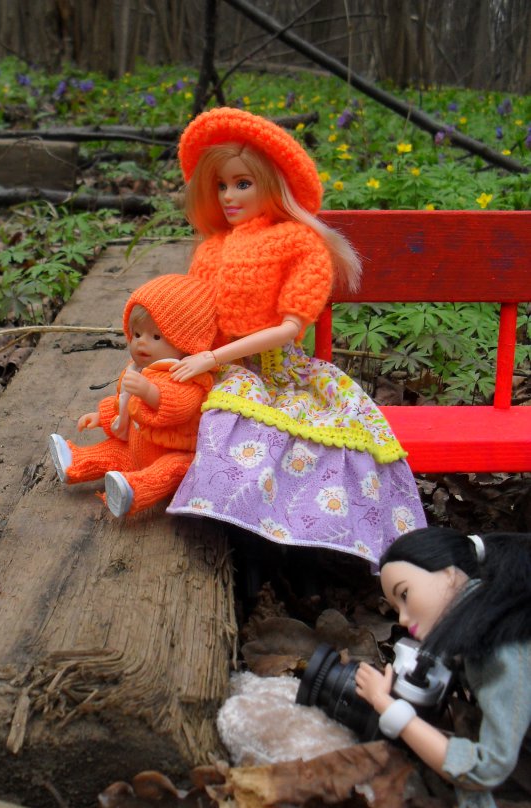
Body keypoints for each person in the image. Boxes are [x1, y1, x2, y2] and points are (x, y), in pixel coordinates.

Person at [166, 107, 426, 563]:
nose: (228, 196)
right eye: (222, 185)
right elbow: (195, 318)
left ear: (274, 185)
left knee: (307, 435)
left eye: (242, 183)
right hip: (217, 369)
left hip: (278, 374)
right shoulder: (210, 249)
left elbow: (288, 327)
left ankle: (288, 543)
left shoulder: (299, 242)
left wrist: (214, 358)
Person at [355, 527, 531, 808]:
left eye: (405, 594)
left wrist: (389, 708)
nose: (402, 618)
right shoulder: (487, 627)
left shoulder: (504, 649)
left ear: (449, 574)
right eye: (396, 606)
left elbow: (488, 767)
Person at [48, 273, 216, 517]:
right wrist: (102, 416)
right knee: (112, 452)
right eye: (136, 334)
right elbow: (124, 404)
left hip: (172, 452)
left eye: (155, 336)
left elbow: (180, 405)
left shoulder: (188, 375)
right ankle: (75, 461)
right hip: (136, 447)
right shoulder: (136, 369)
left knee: (170, 471)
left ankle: (133, 490)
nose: (141, 343)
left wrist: (149, 392)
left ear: (186, 342)